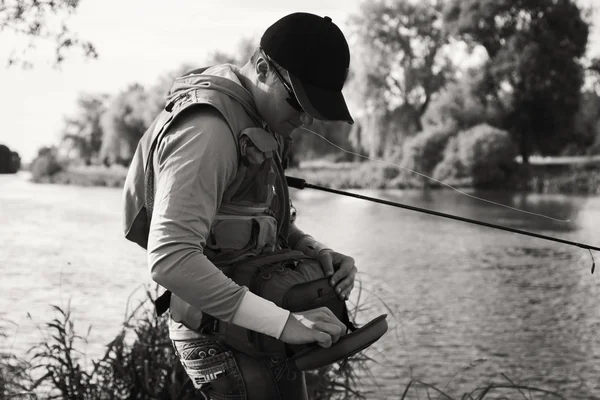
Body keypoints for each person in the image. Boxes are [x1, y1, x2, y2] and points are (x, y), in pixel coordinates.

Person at [123, 12, 358, 400]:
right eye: (298, 101)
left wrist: (317, 251)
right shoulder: (209, 130)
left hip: (261, 323)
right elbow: (169, 258)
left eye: (312, 109)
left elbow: (263, 221)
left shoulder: (261, 118)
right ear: (264, 68)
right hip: (219, 335)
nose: (304, 118)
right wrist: (284, 324)